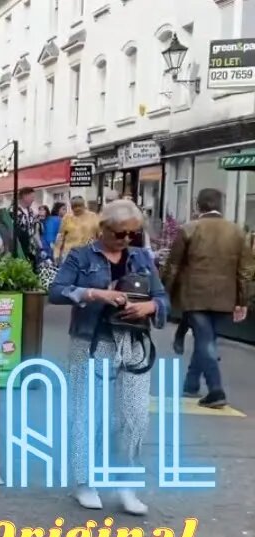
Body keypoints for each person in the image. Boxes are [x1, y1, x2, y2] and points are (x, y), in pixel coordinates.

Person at [48, 199, 167, 515]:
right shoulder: (82, 256)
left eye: (133, 234)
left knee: (134, 416)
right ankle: (85, 482)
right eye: (120, 233)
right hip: (91, 340)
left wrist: (150, 307)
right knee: (87, 413)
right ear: (103, 228)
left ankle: (126, 484)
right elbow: (57, 290)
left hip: (134, 343)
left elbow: (162, 296)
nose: (127, 239)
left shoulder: (142, 257)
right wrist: (95, 294)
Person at [161, 188, 255, 409]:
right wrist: (243, 300)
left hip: (195, 294)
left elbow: (173, 266)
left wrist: (165, 293)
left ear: (198, 205)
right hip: (225, 296)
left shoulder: (189, 229)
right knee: (207, 339)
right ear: (220, 205)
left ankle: (216, 389)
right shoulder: (238, 232)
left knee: (204, 340)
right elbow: (246, 270)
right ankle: (191, 383)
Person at [55, 195, 99, 261]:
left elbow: (100, 235)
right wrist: (56, 254)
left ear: (84, 205)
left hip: (89, 254)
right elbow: (60, 237)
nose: (77, 208)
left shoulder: (93, 216)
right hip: (70, 254)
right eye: (74, 207)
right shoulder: (67, 218)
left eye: (79, 206)